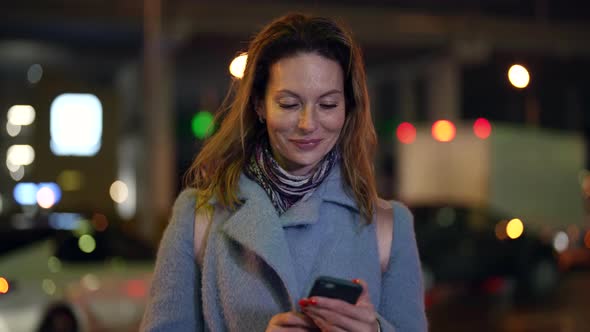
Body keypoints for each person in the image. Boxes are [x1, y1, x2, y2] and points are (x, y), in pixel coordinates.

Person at [141, 13, 427, 332]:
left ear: (348, 109)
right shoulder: (198, 216)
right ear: (259, 106)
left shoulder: (388, 225)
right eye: (289, 104)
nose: (308, 123)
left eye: (328, 105)